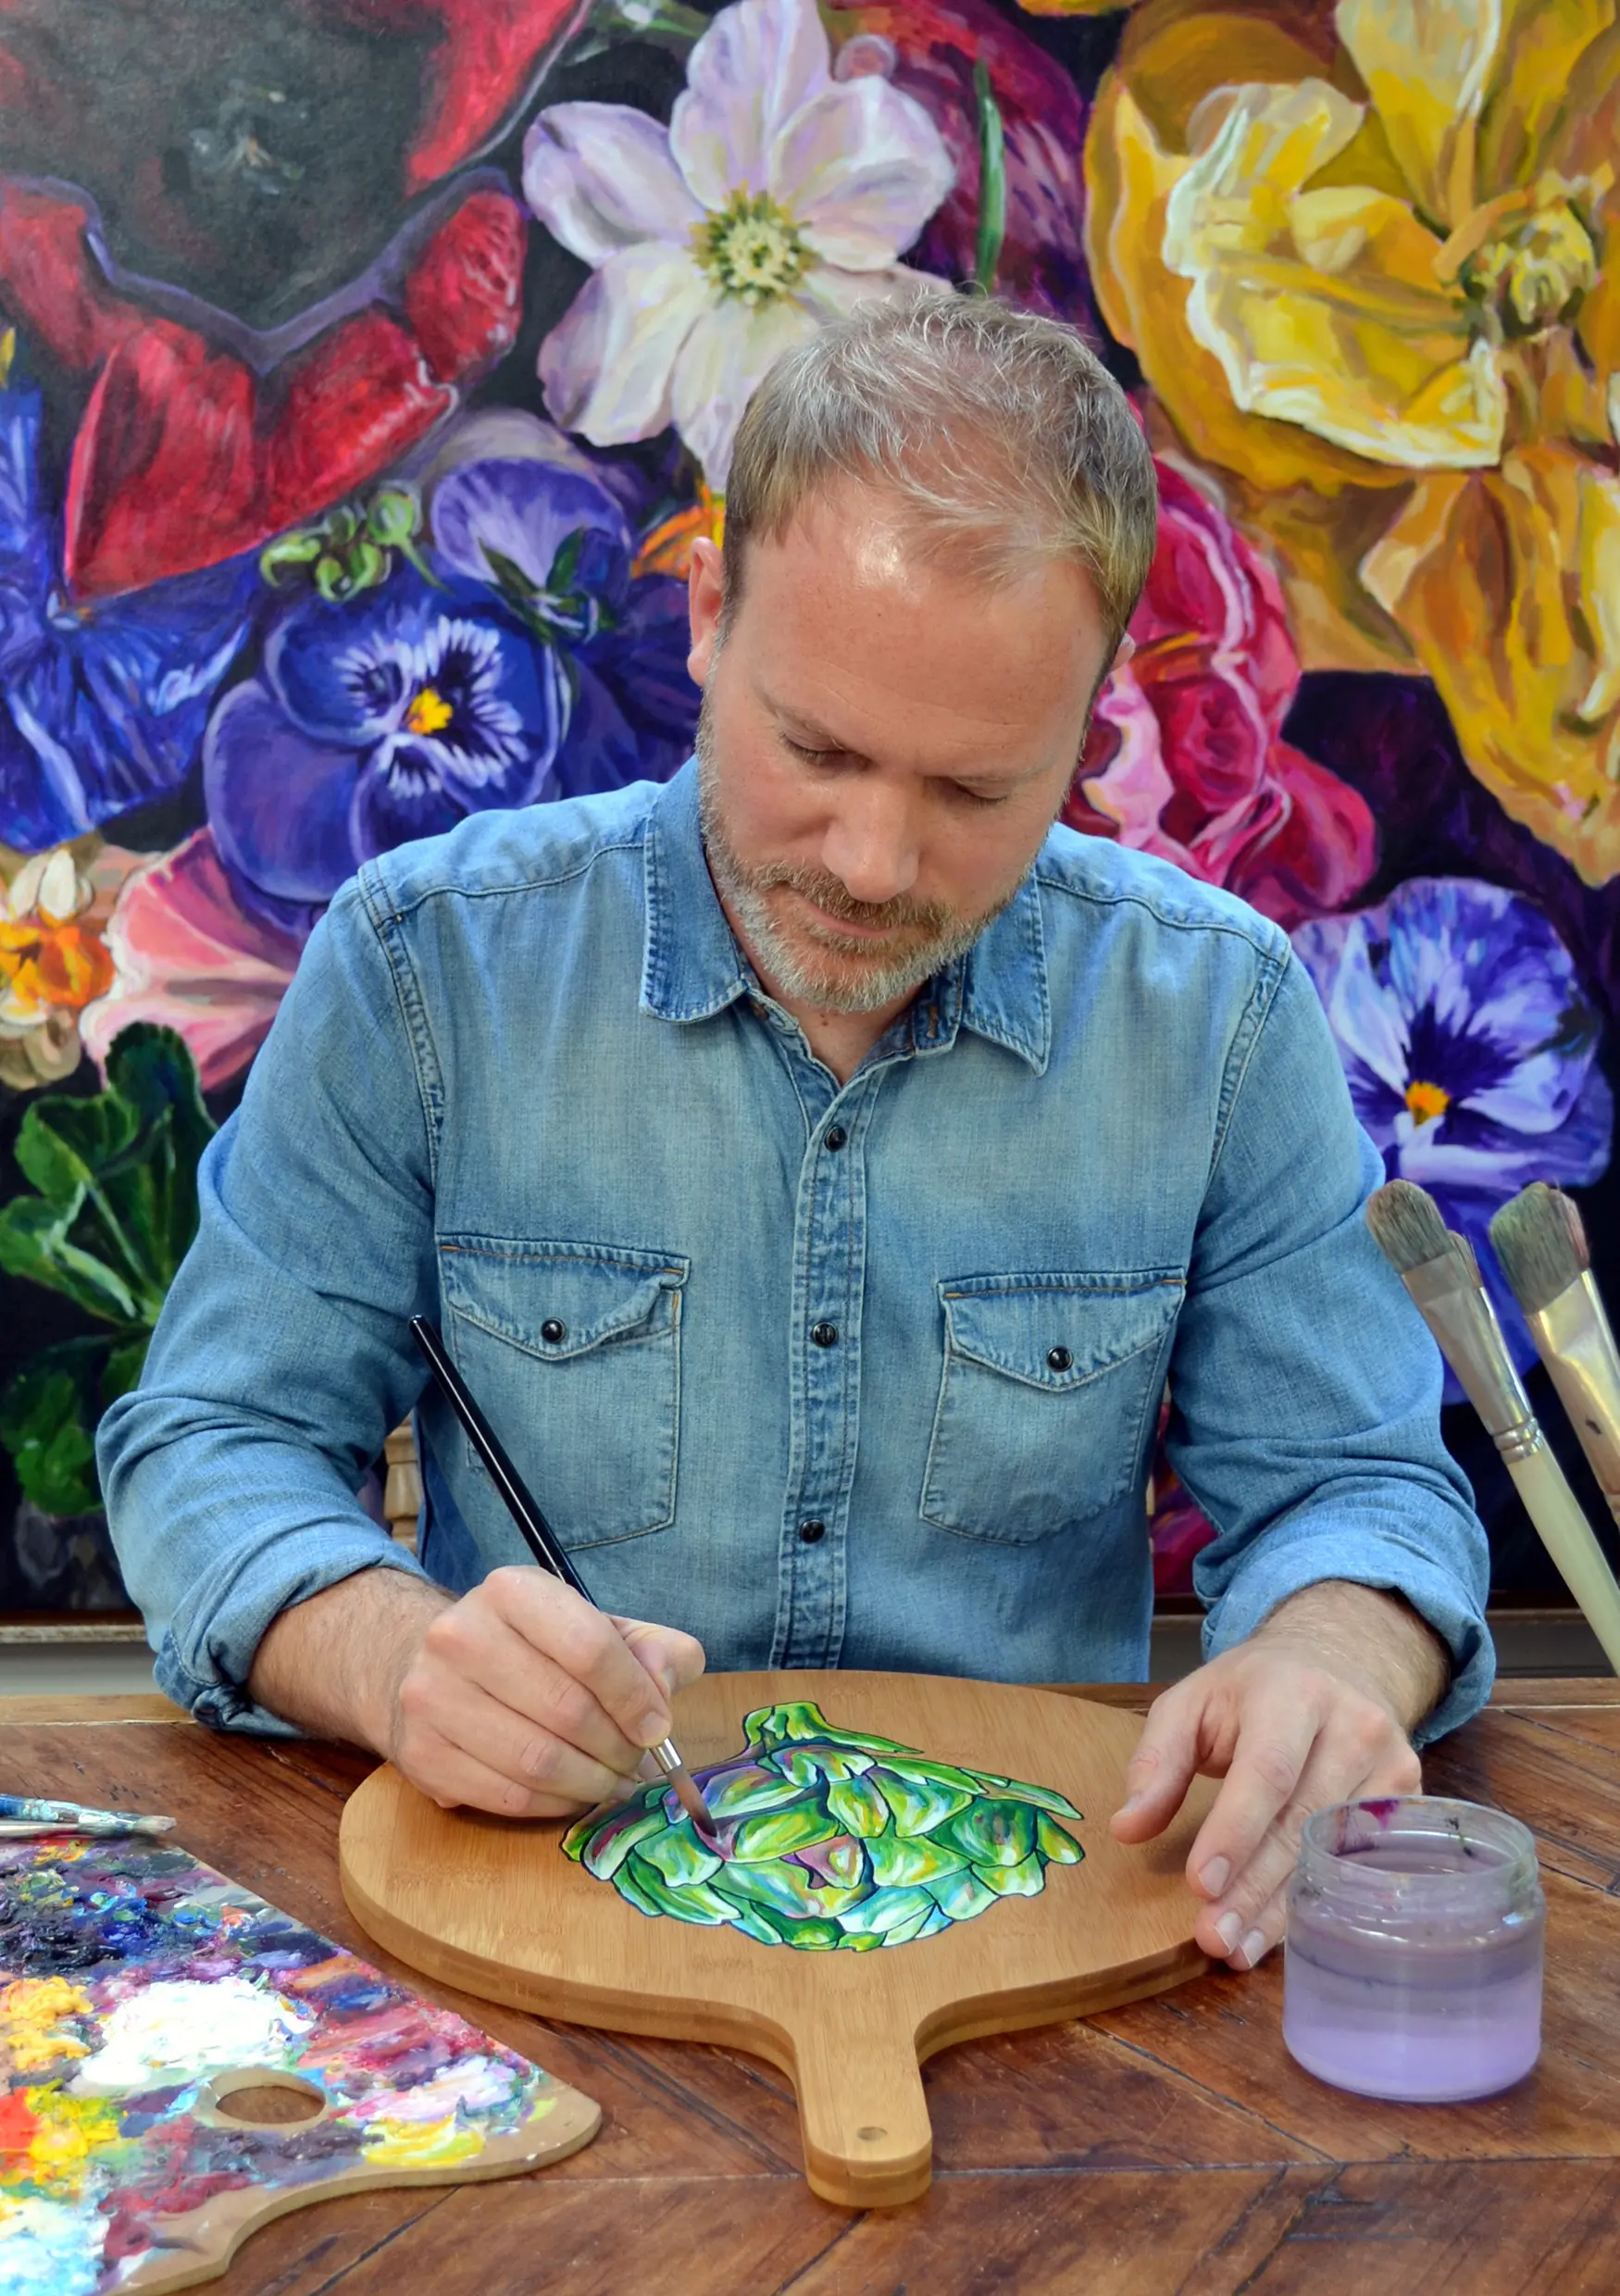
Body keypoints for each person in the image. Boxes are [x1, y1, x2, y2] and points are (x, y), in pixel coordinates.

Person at [98, 296, 1490, 1976]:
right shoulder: (426, 965)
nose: (875, 861)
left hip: (1051, 1953)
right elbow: (210, 1444)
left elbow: (1356, 1488)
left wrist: (1334, 1664)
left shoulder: (1218, 1014)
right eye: (814, 748)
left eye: (977, 788)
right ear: (705, 617)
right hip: (546, 1922)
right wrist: (394, 1656)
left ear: (1089, 714)